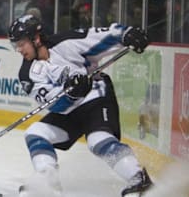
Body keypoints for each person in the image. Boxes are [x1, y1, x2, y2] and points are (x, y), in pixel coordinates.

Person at [8, 14, 153, 197]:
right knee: (35, 133)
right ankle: (47, 181)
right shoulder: (27, 74)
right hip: (70, 111)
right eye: (16, 45)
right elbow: (56, 106)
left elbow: (103, 35)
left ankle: (139, 179)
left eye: (21, 44)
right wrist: (71, 94)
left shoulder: (66, 43)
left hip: (96, 99)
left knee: (98, 140)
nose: (19, 50)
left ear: (36, 39)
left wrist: (126, 35)